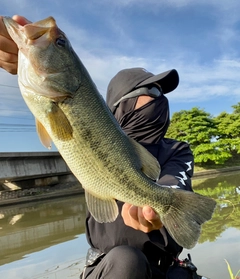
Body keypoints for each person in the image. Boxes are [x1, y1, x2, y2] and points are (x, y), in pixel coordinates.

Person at [0, 15, 204, 279]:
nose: (160, 99)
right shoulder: (78, 106)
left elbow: (172, 186)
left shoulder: (176, 150)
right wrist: (29, 59)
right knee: (126, 261)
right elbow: (51, 100)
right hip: (114, 265)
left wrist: (159, 207)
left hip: (165, 264)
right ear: (121, 105)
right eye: (151, 92)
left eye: (161, 94)